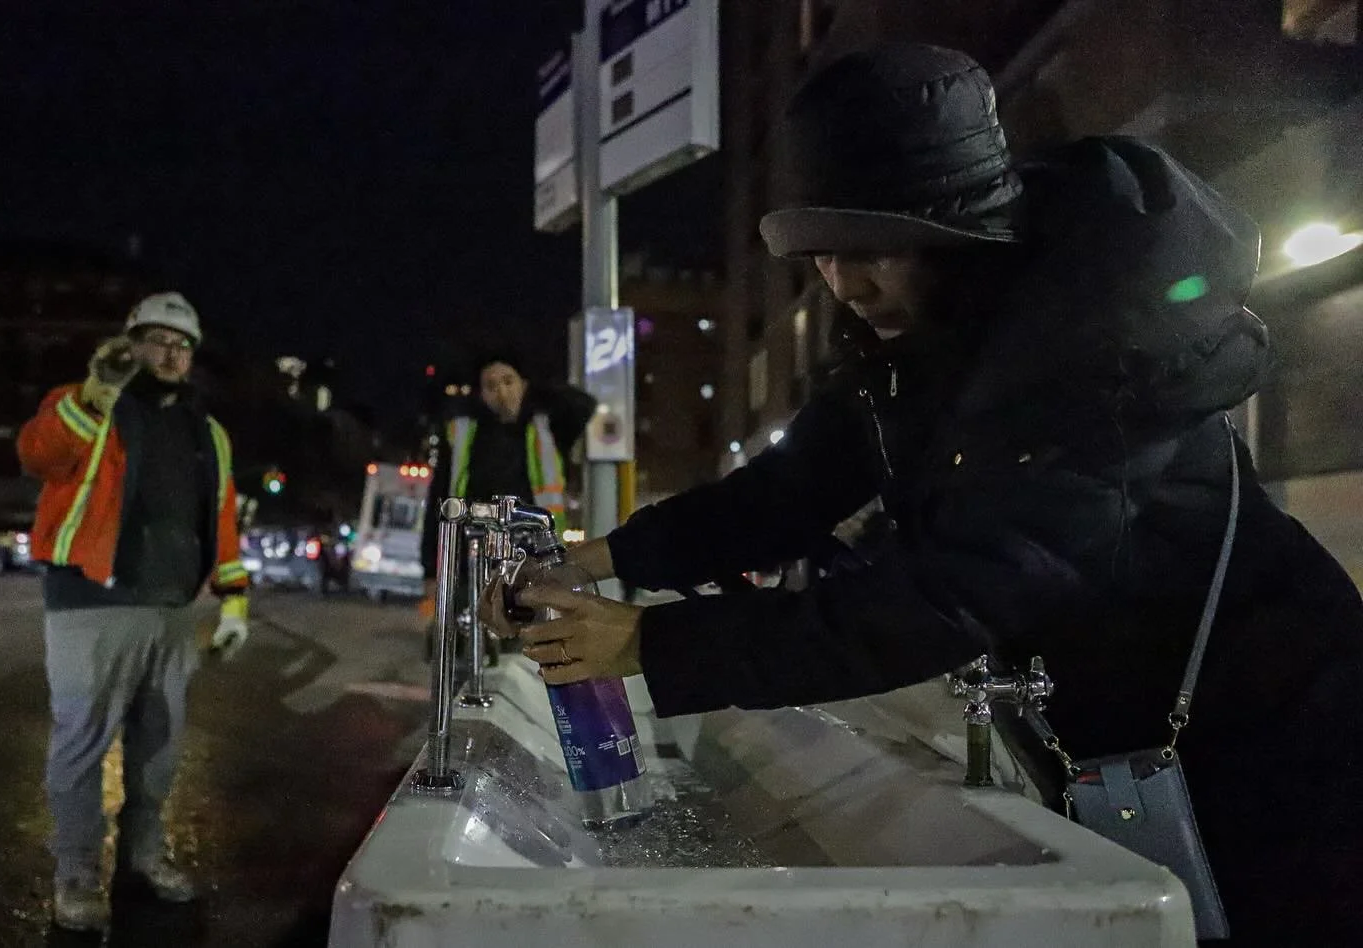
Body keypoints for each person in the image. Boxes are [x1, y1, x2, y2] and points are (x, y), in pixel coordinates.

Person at [495, 44, 1363, 944]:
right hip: (1120, 734)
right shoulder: (913, 348)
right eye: (821, 252)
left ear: (959, 227)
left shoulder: (1092, 349)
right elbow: (786, 492)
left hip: (1281, 725)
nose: (845, 282)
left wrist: (649, 643)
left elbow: (950, 597)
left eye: (874, 248)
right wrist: (592, 557)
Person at [17, 291, 251, 932]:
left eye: (181, 344)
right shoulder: (92, 404)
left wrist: (233, 597)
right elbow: (38, 454)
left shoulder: (209, 432)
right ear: (129, 345)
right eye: (156, 340)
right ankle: (75, 876)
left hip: (172, 609)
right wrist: (95, 393)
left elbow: (221, 516)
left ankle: (144, 859)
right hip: (91, 603)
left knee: (157, 752)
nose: (170, 354)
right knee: (80, 747)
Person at [419, 352, 596, 604]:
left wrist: (534, 390)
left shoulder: (546, 428)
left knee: (527, 633)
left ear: (524, 385)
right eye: (491, 386)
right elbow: (439, 498)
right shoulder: (463, 432)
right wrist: (429, 568)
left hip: (534, 554)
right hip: (469, 557)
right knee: (464, 630)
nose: (501, 392)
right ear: (481, 394)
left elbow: (582, 405)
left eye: (508, 382)